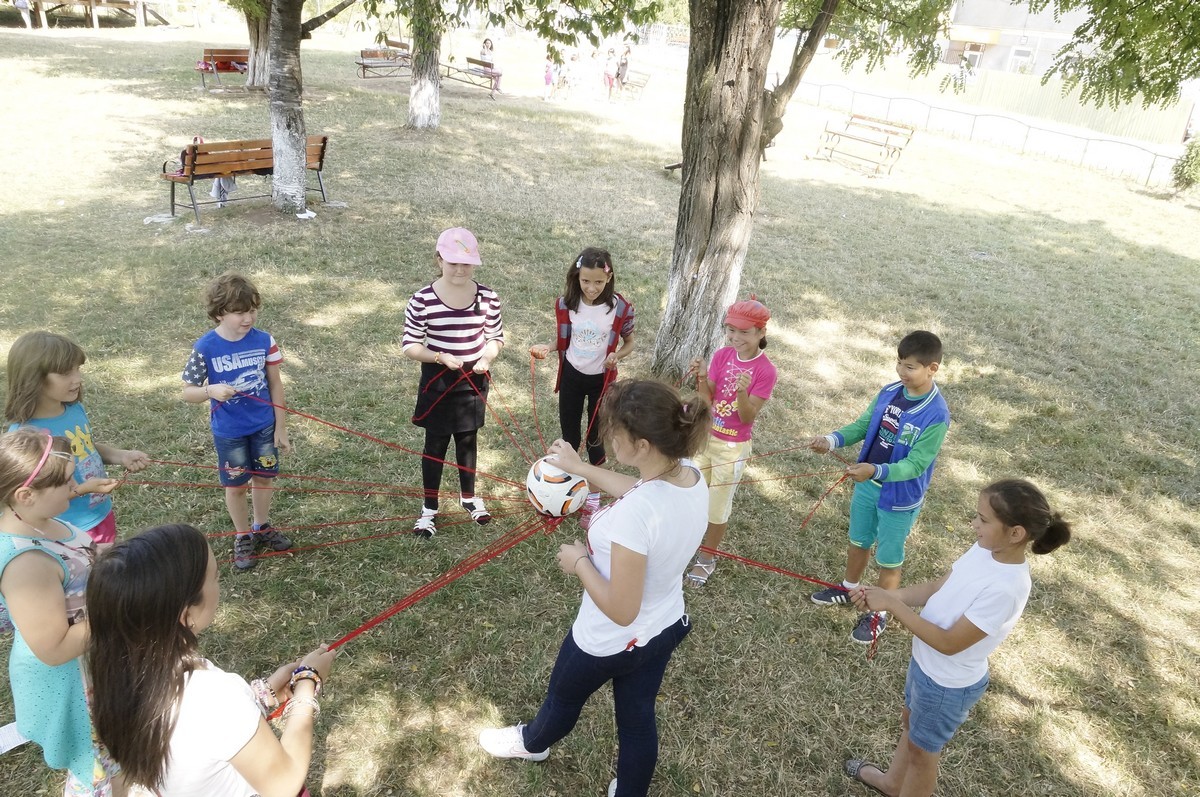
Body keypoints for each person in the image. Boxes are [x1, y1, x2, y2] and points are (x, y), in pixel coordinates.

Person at [478, 379, 710, 797]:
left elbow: (622, 609)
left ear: (641, 446)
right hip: (665, 626)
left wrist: (579, 562)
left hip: (606, 640)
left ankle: (533, 743)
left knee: (563, 701)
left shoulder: (634, 517)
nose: (607, 441)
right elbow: (638, 491)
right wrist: (580, 468)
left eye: (614, 436)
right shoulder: (690, 476)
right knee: (638, 719)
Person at [844, 479, 1071, 797]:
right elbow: (937, 587)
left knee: (923, 755)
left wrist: (892, 604)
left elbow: (949, 643)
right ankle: (892, 784)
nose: (973, 524)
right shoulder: (984, 549)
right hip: (924, 665)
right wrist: (884, 594)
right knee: (910, 724)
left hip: (947, 686)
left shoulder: (1008, 587)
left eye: (983, 519)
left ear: (1016, 533)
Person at [86, 523, 337, 796]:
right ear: (186, 615)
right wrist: (307, 684)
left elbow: (201, 737)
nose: (219, 585)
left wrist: (263, 696)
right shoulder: (213, 696)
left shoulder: (117, 677)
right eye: (215, 577)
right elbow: (284, 783)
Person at [0, 428, 124, 797]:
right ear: (26, 494)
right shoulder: (27, 562)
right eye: (69, 482)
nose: (78, 486)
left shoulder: (41, 518)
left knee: (120, 752)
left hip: (92, 656)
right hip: (73, 681)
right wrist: (119, 606)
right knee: (101, 767)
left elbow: (81, 560)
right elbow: (53, 649)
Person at [806, 331, 950, 643]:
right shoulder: (888, 392)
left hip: (899, 496)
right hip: (867, 484)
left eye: (910, 367)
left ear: (932, 369)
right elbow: (862, 426)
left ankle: (880, 611)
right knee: (858, 540)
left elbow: (915, 465)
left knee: (889, 557)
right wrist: (831, 439)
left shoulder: (936, 414)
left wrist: (876, 469)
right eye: (899, 363)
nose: (902, 372)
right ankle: (849, 588)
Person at [181, 273, 293, 572]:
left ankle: (261, 525)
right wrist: (210, 391)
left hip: (264, 427)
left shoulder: (264, 340)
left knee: (264, 478)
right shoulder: (206, 347)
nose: (248, 318)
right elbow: (187, 392)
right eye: (240, 312)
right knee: (236, 485)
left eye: (253, 310)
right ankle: (242, 534)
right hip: (229, 432)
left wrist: (280, 426)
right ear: (220, 312)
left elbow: (275, 384)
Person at [403, 227, 504, 538]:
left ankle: (469, 497)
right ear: (438, 260)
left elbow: (495, 337)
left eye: (467, 263)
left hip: (473, 378)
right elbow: (410, 345)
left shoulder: (487, 297)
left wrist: (487, 358)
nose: (460, 270)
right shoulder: (422, 300)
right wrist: (439, 357)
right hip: (438, 379)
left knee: (467, 440)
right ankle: (429, 509)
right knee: (435, 444)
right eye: (452, 262)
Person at [5, 330, 148, 551]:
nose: (77, 379)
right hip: (66, 527)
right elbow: (33, 498)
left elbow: (86, 448)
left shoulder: (73, 409)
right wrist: (82, 489)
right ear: (34, 378)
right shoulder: (27, 437)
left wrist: (122, 456)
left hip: (99, 513)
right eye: (65, 373)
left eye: (78, 370)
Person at [529, 247, 635, 529]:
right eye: (585, 281)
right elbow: (564, 340)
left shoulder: (620, 308)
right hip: (572, 377)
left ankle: (593, 500)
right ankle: (568, 491)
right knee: (570, 435)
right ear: (576, 277)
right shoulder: (565, 304)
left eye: (599, 282)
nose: (591, 288)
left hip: (602, 381)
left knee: (596, 440)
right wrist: (548, 347)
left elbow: (630, 344)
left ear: (609, 279)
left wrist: (617, 356)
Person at [684, 297, 777, 587]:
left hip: (732, 446)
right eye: (730, 330)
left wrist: (740, 394)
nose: (736, 338)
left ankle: (707, 557)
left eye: (744, 332)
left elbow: (747, 417)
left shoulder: (765, 371)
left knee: (717, 505)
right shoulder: (723, 355)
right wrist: (701, 377)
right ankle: (684, 543)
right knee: (691, 491)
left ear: (761, 333)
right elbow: (706, 399)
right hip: (705, 438)